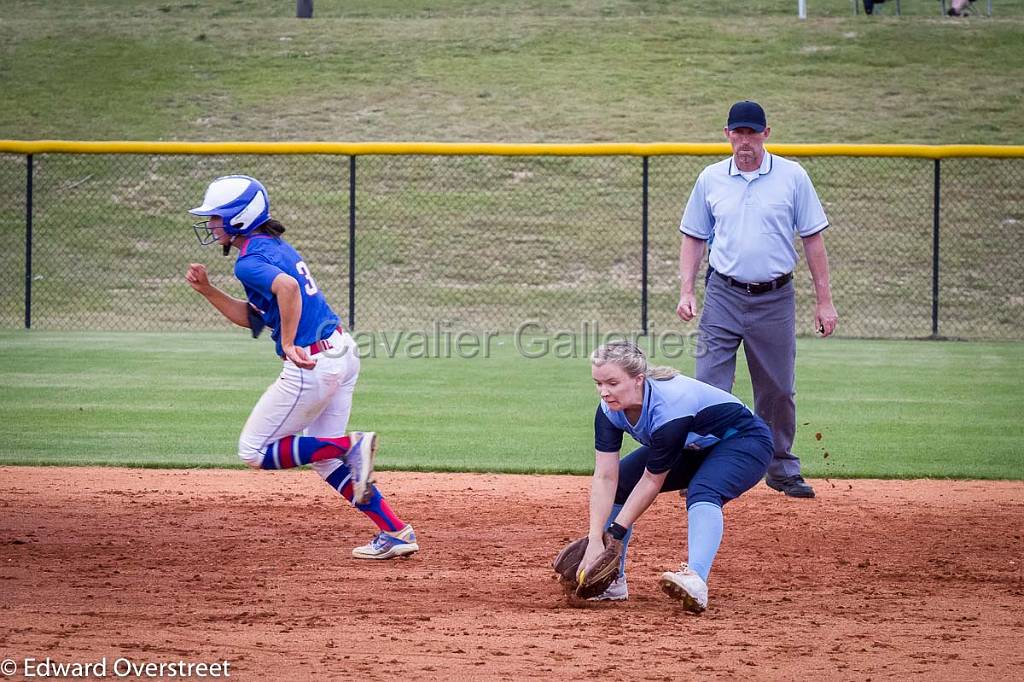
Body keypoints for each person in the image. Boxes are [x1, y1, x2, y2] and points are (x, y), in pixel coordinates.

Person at [185, 174, 418, 560]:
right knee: (323, 460)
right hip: (341, 352)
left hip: (312, 362)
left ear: (240, 218)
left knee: (254, 450)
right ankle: (395, 531)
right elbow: (254, 317)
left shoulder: (250, 262)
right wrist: (208, 290)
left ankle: (352, 445)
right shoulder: (271, 247)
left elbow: (288, 290)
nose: (211, 225)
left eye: (216, 217)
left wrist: (290, 343)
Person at [676, 100, 838, 499]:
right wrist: (686, 290)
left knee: (778, 389)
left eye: (752, 132)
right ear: (727, 134)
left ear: (766, 134)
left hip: (774, 297)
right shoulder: (711, 179)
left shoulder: (792, 176)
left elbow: (813, 239)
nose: (744, 140)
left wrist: (825, 301)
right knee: (710, 385)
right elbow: (693, 237)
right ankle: (701, 467)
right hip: (722, 295)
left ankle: (781, 468)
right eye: (738, 132)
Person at [578, 341, 773, 612]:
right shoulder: (609, 411)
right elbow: (606, 477)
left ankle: (696, 579)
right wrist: (595, 539)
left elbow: (652, 481)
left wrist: (614, 535)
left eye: (612, 383)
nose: (604, 392)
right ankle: (613, 582)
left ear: (638, 380)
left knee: (704, 490)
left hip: (745, 442)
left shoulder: (670, 405)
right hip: (693, 448)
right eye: (598, 383)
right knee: (623, 483)